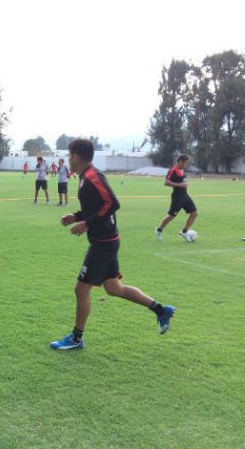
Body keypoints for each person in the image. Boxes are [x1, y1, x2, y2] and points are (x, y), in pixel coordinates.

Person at [50, 139, 175, 350]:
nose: (68, 158)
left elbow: (112, 203)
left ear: (77, 156)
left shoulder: (92, 177)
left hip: (103, 242)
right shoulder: (83, 177)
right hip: (107, 240)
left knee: (81, 289)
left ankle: (76, 338)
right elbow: (96, 206)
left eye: (69, 154)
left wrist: (86, 224)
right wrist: (76, 216)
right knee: (114, 288)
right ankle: (161, 310)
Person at [155, 154, 198, 242]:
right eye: (185, 163)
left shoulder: (182, 170)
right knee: (171, 216)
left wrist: (183, 185)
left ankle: (184, 232)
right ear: (180, 161)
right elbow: (166, 182)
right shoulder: (173, 170)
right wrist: (180, 185)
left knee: (194, 213)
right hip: (177, 197)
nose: (186, 165)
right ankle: (159, 230)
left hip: (185, 196)